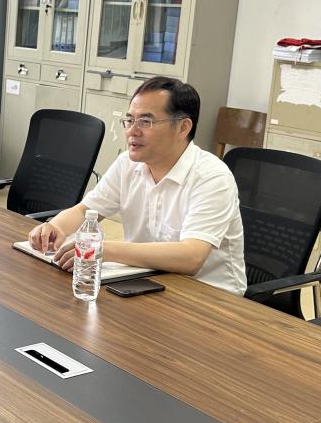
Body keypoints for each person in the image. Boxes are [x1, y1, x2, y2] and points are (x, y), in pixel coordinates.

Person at [28, 76, 246, 294]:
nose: (132, 131)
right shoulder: (128, 164)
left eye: (145, 122)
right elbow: (85, 210)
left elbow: (191, 257)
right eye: (130, 120)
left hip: (210, 296)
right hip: (146, 282)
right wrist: (55, 227)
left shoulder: (212, 177)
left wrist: (106, 249)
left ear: (183, 127)